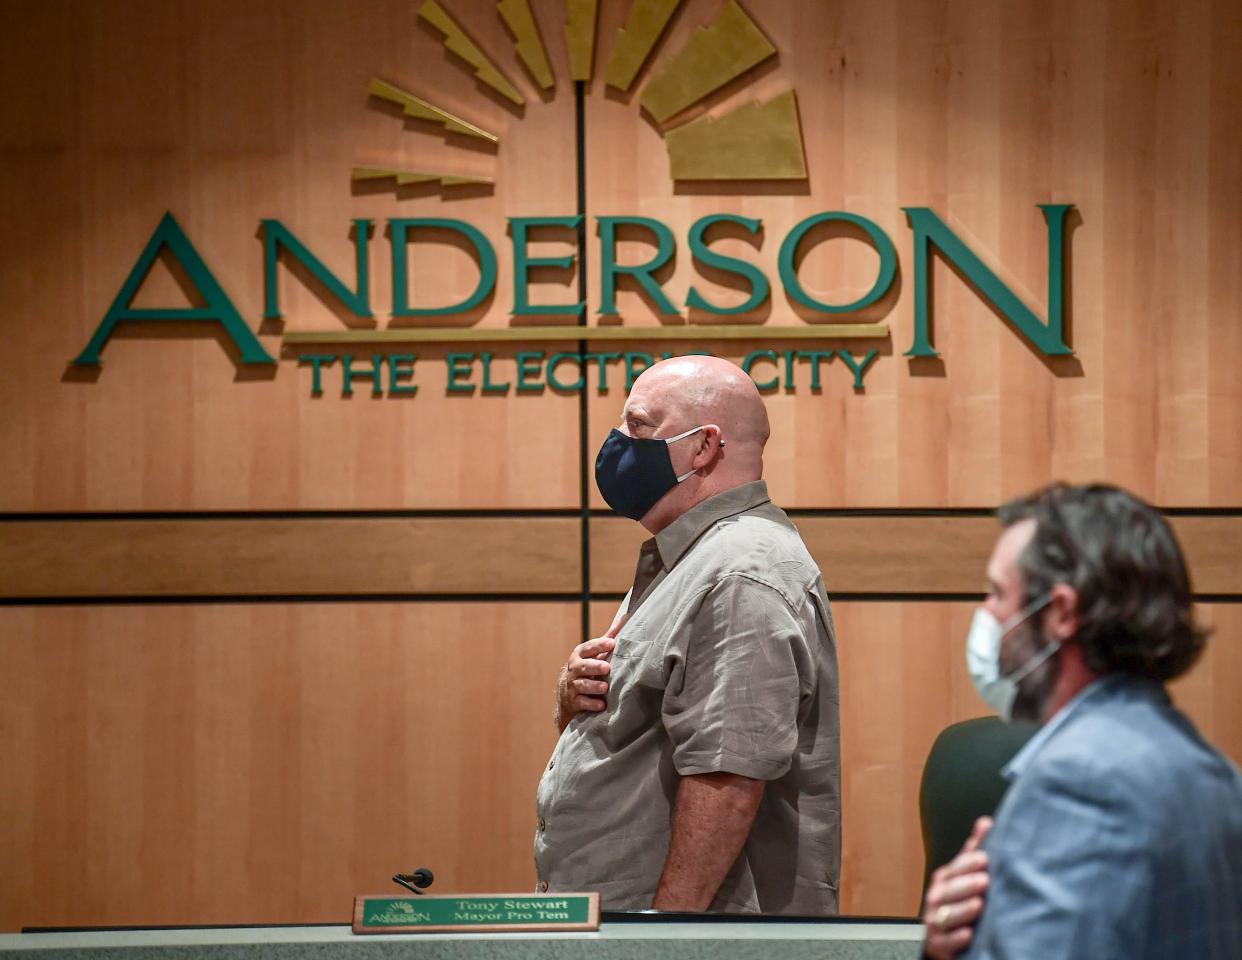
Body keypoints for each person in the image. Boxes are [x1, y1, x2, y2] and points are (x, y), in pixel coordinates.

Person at [534, 355, 840, 914]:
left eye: (640, 425)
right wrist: (578, 700)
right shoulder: (691, 555)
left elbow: (727, 777)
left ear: (703, 448)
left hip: (687, 937)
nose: (618, 441)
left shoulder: (741, 573)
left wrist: (667, 935)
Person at [922, 483, 1242, 959]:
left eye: (997, 593)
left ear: (1062, 613)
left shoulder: (1077, 782)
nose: (987, 614)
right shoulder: (1215, 772)